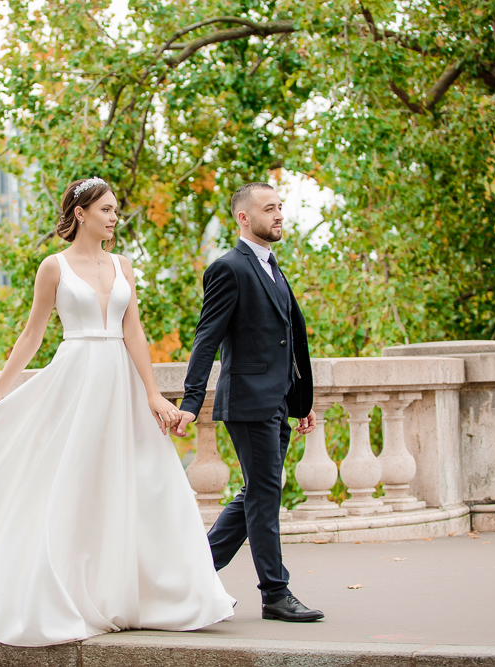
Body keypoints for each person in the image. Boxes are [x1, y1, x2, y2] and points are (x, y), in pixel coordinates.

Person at [0, 177, 235, 647]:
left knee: (138, 480)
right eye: (106, 209)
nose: (114, 218)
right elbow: (32, 335)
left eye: (116, 210)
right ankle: (67, 594)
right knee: (71, 483)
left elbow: (134, 331)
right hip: (76, 377)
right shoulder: (53, 267)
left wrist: (153, 394)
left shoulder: (124, 265)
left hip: (121, 382)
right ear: (80, 213)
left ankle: (145, 595)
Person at [173, 182, 324, 622]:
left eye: (280, 207)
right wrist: (191, 400)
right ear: (243, 217)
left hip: (276, 401)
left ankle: (189, 574)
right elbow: (207, 338)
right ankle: (275, 593)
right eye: (268, 208)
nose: (278, 215)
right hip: (248, 401)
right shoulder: (229, 268)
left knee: (258, 493)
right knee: (263, 496)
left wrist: (301, 400)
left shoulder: (272, 266)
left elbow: (287, 340)